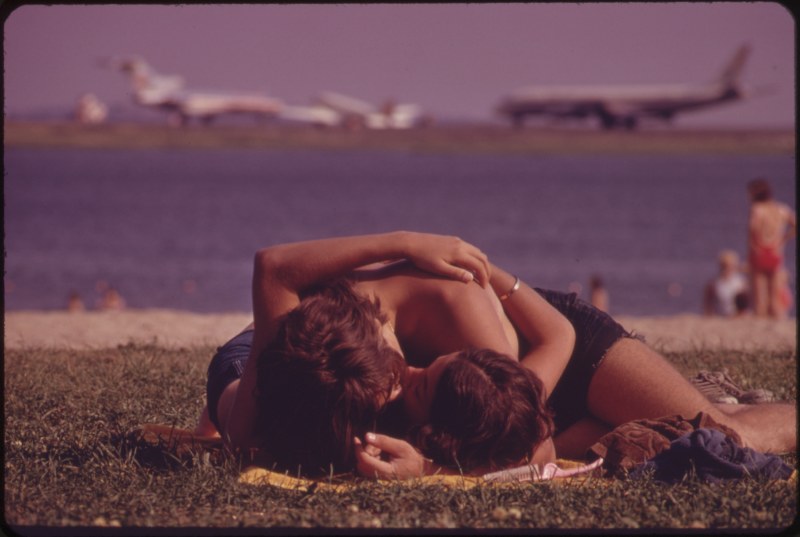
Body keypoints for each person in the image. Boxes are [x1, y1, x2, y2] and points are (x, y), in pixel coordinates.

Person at [199, 232, 796, 479]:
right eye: (393, 392)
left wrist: (411, 242)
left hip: (549, 340)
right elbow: (272, 270)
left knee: (723, 432)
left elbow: (534, 442)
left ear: (377, 326)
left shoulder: (471, 325)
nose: (404, 379)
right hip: (472, 393)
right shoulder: (313, 365)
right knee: (607, 433)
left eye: (401, 372)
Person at [747, 178, 796, 318]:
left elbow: (753, 230)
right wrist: (784, 238)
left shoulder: (757, 210)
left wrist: (754, 248)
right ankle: (777, 321)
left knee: (760, 296)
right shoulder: (782, 209)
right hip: (776, 251)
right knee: (775, 295)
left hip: (760, 252)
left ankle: (760, 321)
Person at [703, 250, 748, 317]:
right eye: (724, 266)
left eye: (730, 265)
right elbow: (708, 304)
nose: (728, 268)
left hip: (739, 315)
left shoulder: (741, 282)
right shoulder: (714, 283)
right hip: (722, 315)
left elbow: (746, 303)